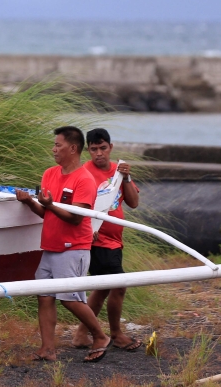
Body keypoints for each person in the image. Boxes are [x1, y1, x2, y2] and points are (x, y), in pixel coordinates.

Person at [15, 126, 111, 363]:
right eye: (54, 145)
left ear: (73, 148)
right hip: (50, 246)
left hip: (73, 247)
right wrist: (29, 203)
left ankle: (100, 336)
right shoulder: (49, 174)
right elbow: (47, 213)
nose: (54, 149)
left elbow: (77, 217)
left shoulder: (84, 180)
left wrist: (49, 205)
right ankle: (48, 348)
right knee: (44, 296)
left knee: (69, 298)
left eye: (58, 145)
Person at [71, 128, 142, 351]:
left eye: (103, 148)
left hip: (115, 239)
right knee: (118, 285)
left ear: (110, 147)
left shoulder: (119, 172)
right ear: (88, 151)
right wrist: (86, 228)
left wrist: (127, 177)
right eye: (94, 149)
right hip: (96, 240)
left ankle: (82, 334)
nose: (99, 153)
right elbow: (76, 206)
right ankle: (116, 334)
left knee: (101, 287)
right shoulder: (84, 173)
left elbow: (133, 202)